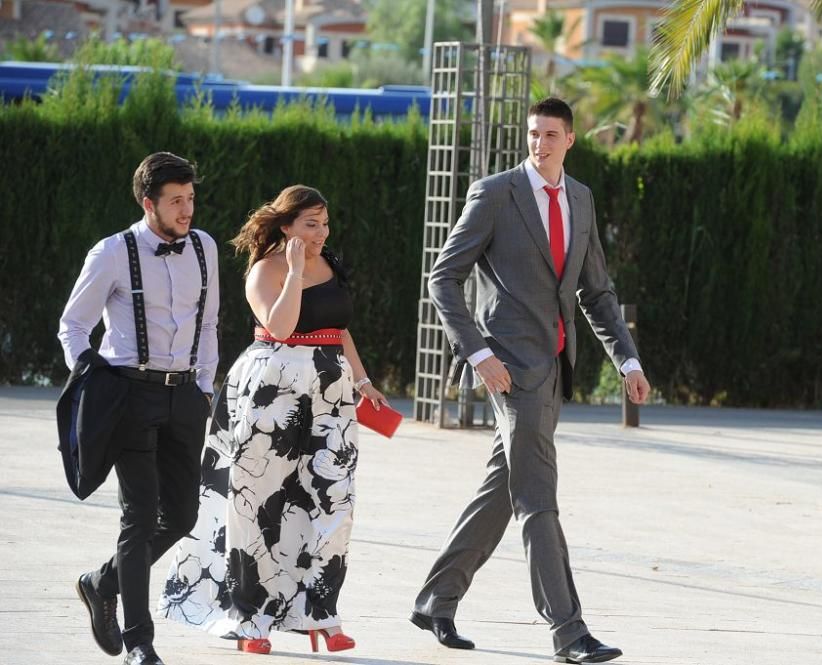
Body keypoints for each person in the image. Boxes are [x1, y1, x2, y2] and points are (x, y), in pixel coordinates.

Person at [411, 97, 651, 665]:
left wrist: (629, 361)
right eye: (532, 133)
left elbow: (596, 292)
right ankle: (569, 631)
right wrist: (477, 353)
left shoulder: (582, 199)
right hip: (509, 371)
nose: (539, 143)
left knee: (504, 488)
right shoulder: (495, 193)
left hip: (555, 370)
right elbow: (443, 278)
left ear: (570, 139)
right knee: (537, 495)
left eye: (550, 134)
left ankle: (435, 600)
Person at [157, 185, 387, 656]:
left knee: (333, 501)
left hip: (331, 392)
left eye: (324, 223)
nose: (321, 233)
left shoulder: (333, 265)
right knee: (257, 504)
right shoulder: (265, 271)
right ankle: (248, 619)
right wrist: (295, 272)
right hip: (271, 388)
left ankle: (319, 613)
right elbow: (281, 328)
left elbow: (339, 331)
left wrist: (363, 383)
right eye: (310, 224)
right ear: (286, 227)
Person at [58, 152, 220, 665]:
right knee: (139, 517)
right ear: (148, 203)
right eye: (175, 201)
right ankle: (139, 642)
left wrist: (204, 388)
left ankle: (100, 582)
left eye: (190, 198)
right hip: (130, 394)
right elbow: (73, 326)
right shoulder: (111, 252)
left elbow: (210, 322)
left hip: (186, 397)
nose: (186, 209)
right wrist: (94, 379)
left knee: (181, 514)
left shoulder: (205, 248)